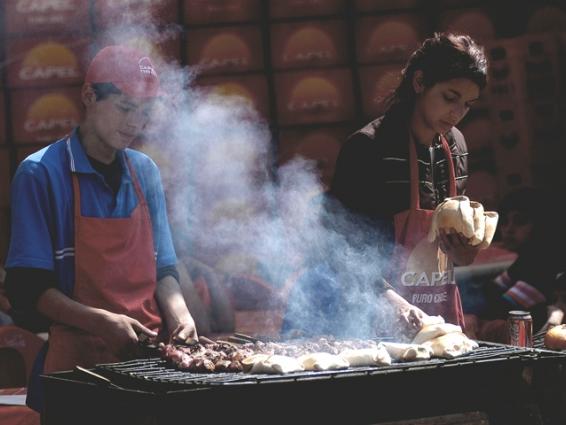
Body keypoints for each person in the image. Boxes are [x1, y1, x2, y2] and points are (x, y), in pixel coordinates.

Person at [3, 45, 197, 410]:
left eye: (145, 111)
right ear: (89, 96)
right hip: (76, 373)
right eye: (125, 108)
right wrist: (102, 322)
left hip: (150, 366)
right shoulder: (40, 173)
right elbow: (27, 288)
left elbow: (164, 269)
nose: (135, 123)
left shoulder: (146, 172)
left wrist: (181, 316)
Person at [328, 32, 488, 330]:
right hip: (373, 320)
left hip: (438, 318)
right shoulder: (367, 147)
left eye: (468, 104)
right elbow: (335, 248)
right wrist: (394, 302)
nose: (457, 113)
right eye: (450, 98)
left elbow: (456, 252)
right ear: (419, 82)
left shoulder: (457, 146)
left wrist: (464, 253)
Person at [465, 187, 565, 342]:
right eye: (504, 222)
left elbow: (503, 308)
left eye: (520, 221)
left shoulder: (544, 262)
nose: (509, 229)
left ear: (541, 224)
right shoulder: (527, 258)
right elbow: (491, 289)